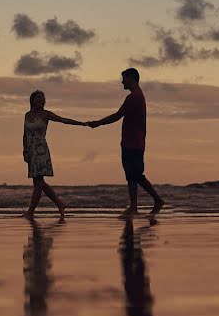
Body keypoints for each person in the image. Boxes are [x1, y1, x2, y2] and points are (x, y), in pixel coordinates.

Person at [87, 68, 165, 216]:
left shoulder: (134, 97)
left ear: (132, 78)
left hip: (134, 143)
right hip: (131, 142)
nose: (122, 81)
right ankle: (134, 207)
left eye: (124, 78)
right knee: (130, 175)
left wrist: (98, 123)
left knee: (136, 175)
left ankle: (157, 200)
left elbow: (117, 115)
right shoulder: (137, 96)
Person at [22, 90, 85, 218]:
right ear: (32, 100)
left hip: (41, 150)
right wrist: (25, 151)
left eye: (43, 98)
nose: (42, 100)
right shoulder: (27, 115)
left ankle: (30, 212)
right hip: (31, 151)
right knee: (39, 182)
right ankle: (60, 204)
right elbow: (25, 134)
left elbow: (63, 120)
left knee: (38, 182)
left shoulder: (46, 114)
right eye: (39, 98)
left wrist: (81, 123)